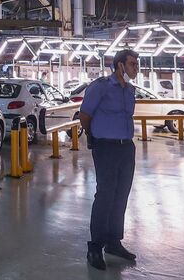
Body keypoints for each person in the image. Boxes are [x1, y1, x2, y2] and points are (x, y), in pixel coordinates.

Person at [79, 49, 140, 271]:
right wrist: (93, 136)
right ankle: (95, 246)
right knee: (105, 195)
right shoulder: (101, 87)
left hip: (126, 147)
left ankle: (114, 242)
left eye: (137, 64)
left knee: (121, 194)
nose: (136, 68)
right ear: (120, 65)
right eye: (132, 64)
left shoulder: (130, 90)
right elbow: (85, 115)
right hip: (106, 146)